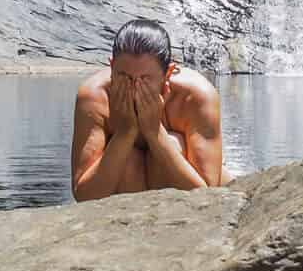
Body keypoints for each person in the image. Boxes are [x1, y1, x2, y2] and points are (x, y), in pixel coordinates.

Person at [70, 18, 223, 200]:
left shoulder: (196, 96)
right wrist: (125, 133)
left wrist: (155, 133)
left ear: (168, 73)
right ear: (111, 67)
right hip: (123, 199)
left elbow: (208, 194)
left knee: (174, 144)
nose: (134, 87)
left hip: (184, 203)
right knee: (127, 159)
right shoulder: (94, 97)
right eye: (124, 76)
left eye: (145, 79)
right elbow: (83, 195)